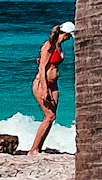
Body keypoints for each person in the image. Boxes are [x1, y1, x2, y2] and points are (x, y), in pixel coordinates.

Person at [31, 21, 73, 152]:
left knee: (51, 117)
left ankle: (39, 148)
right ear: (64, 34)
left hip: (53, 85)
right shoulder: (49, 45)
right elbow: (42, 67)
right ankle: (33, 150)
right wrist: (44, 89)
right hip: (42, 84)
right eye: (69, 36)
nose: (69, 39)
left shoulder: (59, 46)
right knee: (49, 116)